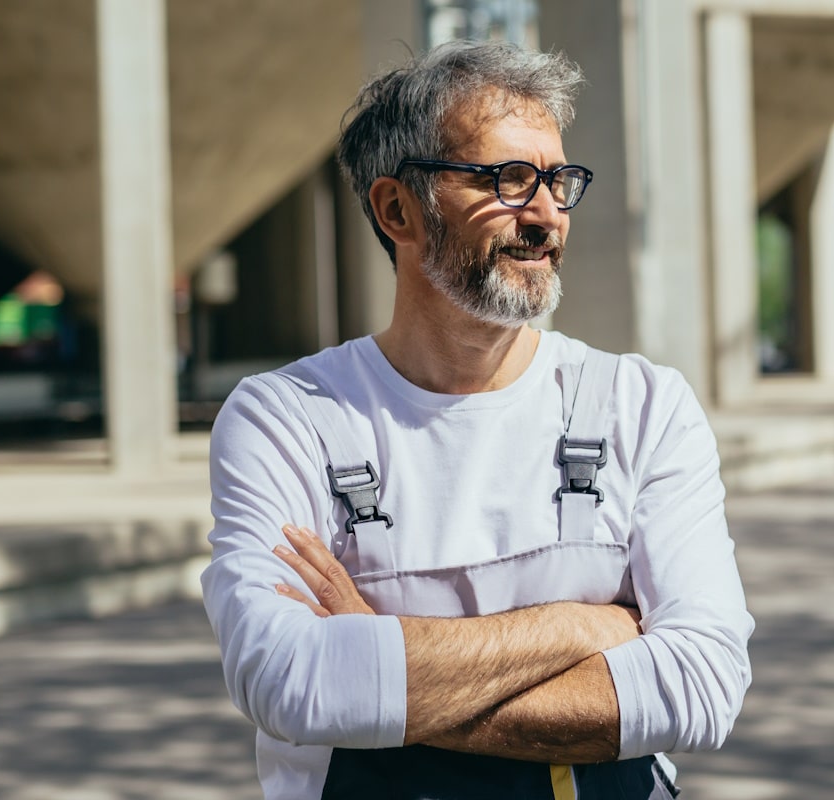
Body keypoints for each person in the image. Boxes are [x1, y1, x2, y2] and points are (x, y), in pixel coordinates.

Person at [200, 40, 753, 799]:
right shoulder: (289, 420)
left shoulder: (641, 406)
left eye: (559, 181)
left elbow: (700, 688)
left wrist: (378, 657)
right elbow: (290, 682)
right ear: (398, 209)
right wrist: (582, 628)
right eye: (509, 180)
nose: (547, 215)